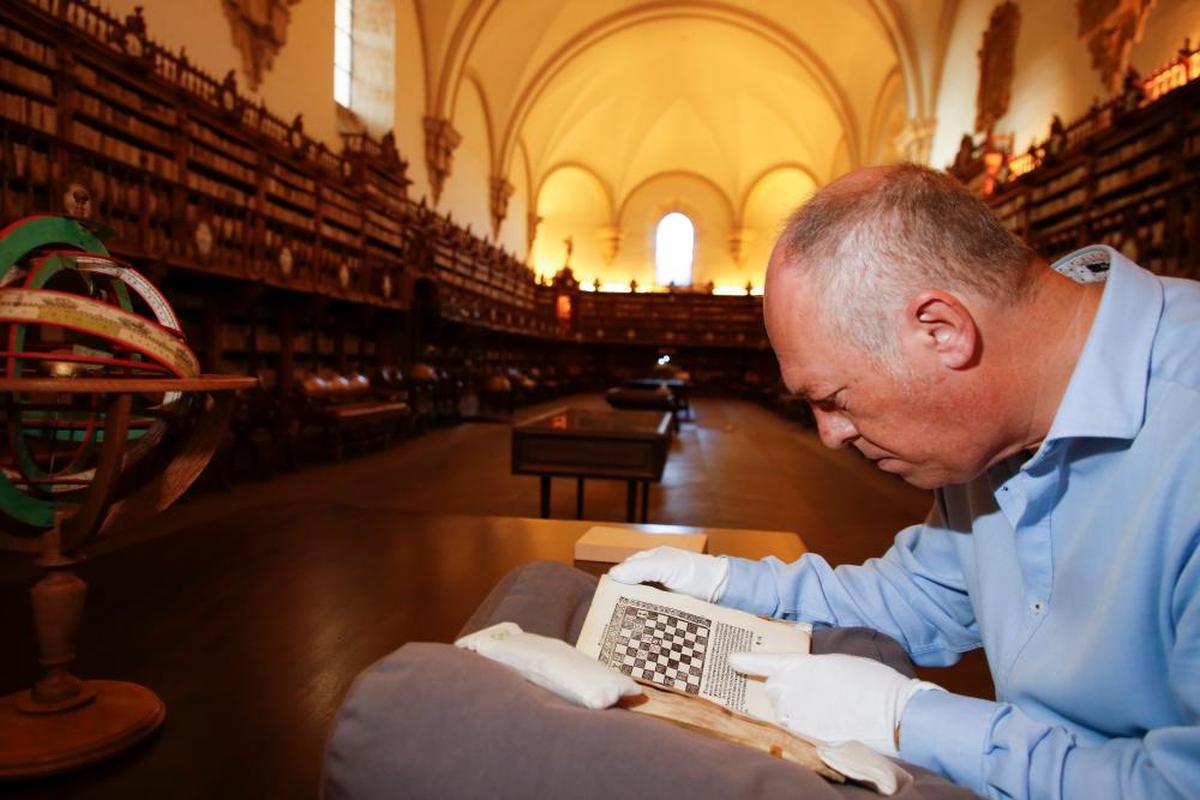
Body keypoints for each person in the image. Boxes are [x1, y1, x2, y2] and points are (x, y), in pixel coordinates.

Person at [610, 164, 1200, 799]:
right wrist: (730, 582)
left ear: (941, 331)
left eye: (834, 397)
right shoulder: (989, 431)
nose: (830, 435)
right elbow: (921, 597)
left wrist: (909, 720)